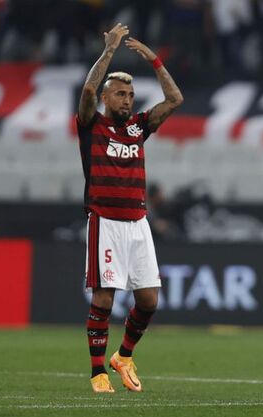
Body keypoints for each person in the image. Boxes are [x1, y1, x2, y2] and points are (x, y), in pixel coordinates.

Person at [76, 23, 183, 393]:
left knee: (149, 300)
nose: (127, 99)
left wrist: (154, 59)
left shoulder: (139, 127)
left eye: (131, 94)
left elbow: (174, 100)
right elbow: (89, 88)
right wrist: (109, 50)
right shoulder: (92, 125)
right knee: (104, 298)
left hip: (138, 222)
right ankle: (96, 372)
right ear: (107, 98)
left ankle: (123, 355)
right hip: (105, 220)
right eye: (120, 93)